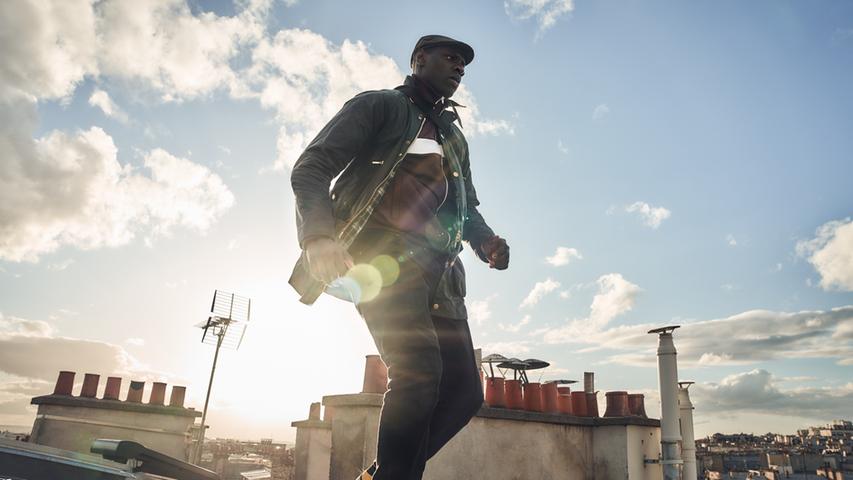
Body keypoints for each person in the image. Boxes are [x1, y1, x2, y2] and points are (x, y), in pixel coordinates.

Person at [289, 34, 510, 480]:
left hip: (442, 273)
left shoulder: (453, 136)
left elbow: (465, 209)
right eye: (450, 58)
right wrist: (318, 238)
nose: (459, 68)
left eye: (463, 65)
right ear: (418, 60)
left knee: (465, 393)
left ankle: (380, 475)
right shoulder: (379, 107)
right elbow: (311, 167)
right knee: (417, 371)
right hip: (381, 262)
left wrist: (486, 241)